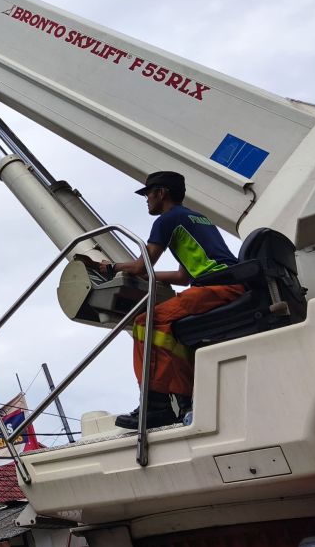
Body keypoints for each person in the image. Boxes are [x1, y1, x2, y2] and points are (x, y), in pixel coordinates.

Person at [100, 171, 245, 429]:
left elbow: (140, 265)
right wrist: (146, 274)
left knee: (145, 323)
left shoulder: (167, 219)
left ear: (161, 192)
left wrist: (112, 268)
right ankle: (183, 398)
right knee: (169, 328)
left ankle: (156, 406)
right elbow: (181, 276)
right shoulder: (195, 218)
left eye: (148, 194)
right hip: (231, 285)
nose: (146, 200)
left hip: (216, 287)